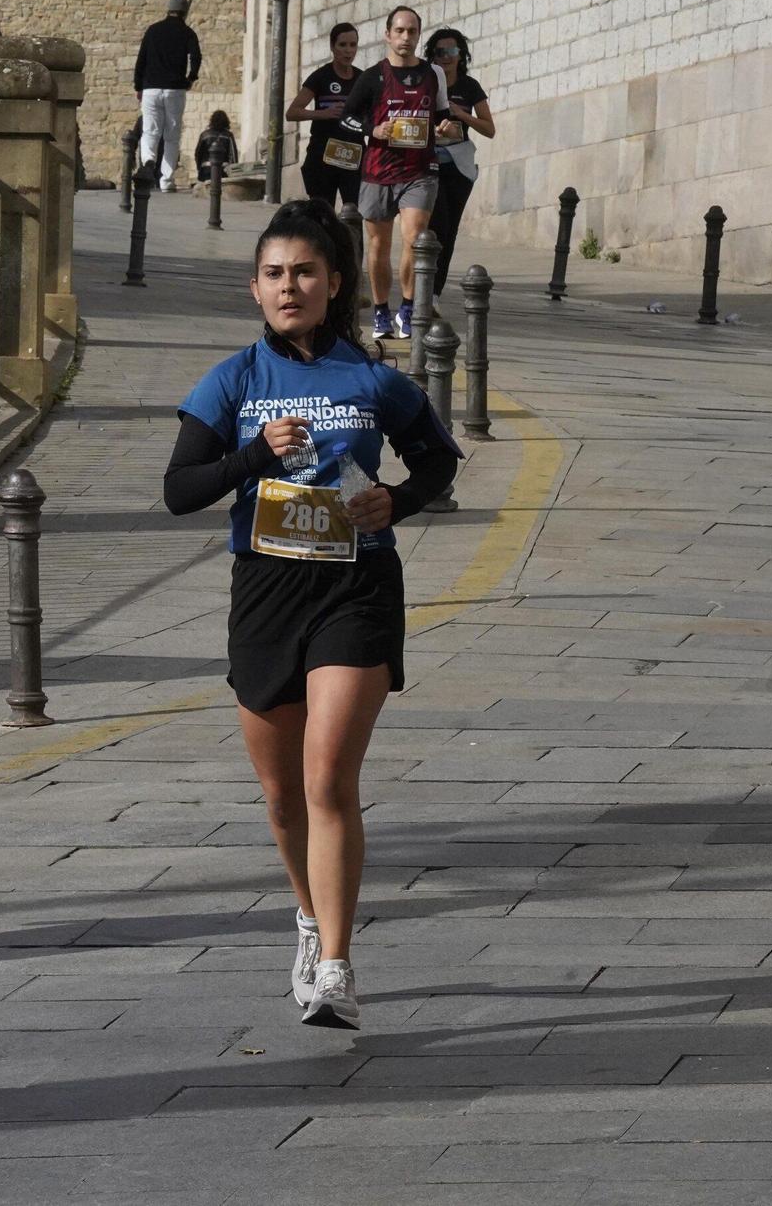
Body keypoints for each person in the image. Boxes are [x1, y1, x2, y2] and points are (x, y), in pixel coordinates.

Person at [162, 200, 461, 1028]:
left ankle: (335, 965)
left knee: (328, 776)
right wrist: (254, 453)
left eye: (304, 272)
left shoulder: (373, 380)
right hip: (265, 590)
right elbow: (179, 490)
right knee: (282, 794)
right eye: (273, 274)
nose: (289, 286)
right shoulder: (232, 382)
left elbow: (438, 460)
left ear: (333, 283)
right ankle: (306, 915)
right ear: (254, 288)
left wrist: (393, 503)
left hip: (354, 587)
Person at [339, 6, 451, 340]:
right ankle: (380, 311)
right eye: (400, 31)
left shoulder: (434, 75)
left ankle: (407, 308)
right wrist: (374, 130)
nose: (406, 38)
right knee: (378, 245)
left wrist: (446, 127)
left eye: (412, 32)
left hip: (420, 169)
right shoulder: (373, 76)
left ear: (419, 35)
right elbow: (347, 118)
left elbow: (445, 118)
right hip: (378, 170)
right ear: (388, 34)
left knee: (416, 237)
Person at [423, 28, 495, 282]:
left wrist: (462, 115)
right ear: (432, 56)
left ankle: (436, 292)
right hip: (428, 163)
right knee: (435, 226)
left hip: (458, 165)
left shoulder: (469, 86)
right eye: (440, 52)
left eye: (452, 51)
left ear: (461, 55)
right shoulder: (425, 82)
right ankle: (423, 288)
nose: (446, 57)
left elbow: (489, 129)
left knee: (450, 230)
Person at [287, 22, 365, 210]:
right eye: (343, 45)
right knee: (322, 213)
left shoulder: (363, 79)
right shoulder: (320, 77)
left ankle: (352, 241)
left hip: (353, 155)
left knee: (353, 213)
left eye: (353, 45)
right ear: (332, 47)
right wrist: (324, 114)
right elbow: (292, 112)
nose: (348, 51)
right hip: (322, 156)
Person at [133, 0, 203, 194]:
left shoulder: (153, 31)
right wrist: (191, 78)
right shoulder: (188, 33)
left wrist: (139, 86)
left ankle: (147, 167)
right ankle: (166, 179)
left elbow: (141, 60)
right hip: (175, 88)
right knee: (172, 135)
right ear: (185, 11)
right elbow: (196, 57)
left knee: (150, 131)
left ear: (168, 8)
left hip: (151, 88)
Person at [192, 110, 238, 184]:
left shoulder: (204, 135)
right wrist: (233, 171)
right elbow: (233, 155)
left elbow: (198, 154)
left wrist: (199, 168)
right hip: (223, 170)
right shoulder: (228, 135)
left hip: (206, 170)